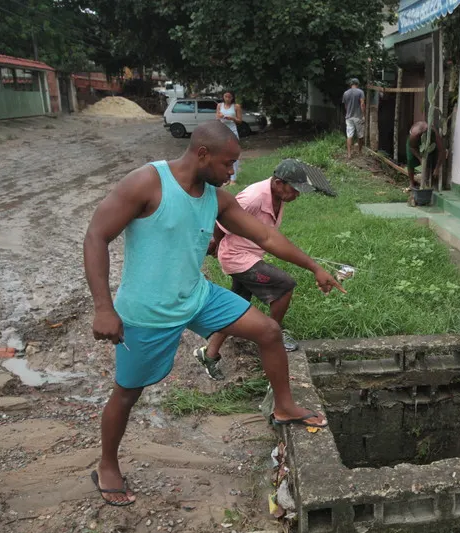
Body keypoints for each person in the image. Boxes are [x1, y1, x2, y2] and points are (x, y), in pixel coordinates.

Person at [83, 121, 343, 506]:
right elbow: (96, 236)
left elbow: (266, 238)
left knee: (269, 332)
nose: (233, 172)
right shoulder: (146, 183)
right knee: (127, 393)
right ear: (202, 154)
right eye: (229, 163)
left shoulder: (216, 198)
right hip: (147, 310)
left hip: (197, 294)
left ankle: (284, 407)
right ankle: (107, 464)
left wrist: (315, 267)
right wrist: (103, 307)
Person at [197, 159, 314, 379]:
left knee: (236, 307)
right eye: (295, 190)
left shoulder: (277, 196)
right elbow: (221, 222)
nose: (297, 195)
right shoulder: (253, 198)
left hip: (250, 254)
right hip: (237, 257)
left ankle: (209, 353)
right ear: (279, 183)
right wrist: (215, 245)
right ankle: (272, 338)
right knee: (284, 285)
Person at [406, 121, 445, 189]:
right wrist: (420, 158)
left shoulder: (434, 133)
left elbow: (441, 150)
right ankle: (411, 183)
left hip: (427, 144)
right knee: (410, 160)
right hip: (413, 145)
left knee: (427, 160)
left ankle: (425, 182)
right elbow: (412, 147)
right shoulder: (414, 135)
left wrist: (437, 168)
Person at [216, 91, 243, 182]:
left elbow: (240, 121)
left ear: (232, 97)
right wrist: (220, 116)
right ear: (223, 97)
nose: (227, 98)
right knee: (223, 154)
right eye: (225, 96)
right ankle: (225, 177)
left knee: (233, 153)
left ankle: (233, 178)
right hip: (222, 131)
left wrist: (232, 118)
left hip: (232, 131)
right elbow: (217, 117)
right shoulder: (219, 105)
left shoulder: (236, 106)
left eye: (229, 97)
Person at [342, 78, 365, 159]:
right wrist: (363, 115)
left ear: (350, 84)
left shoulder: (345, 93)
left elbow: (345, 106)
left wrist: (348, 113)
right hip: (358, 117)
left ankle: (349, 154)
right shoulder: (360, 92)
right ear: (357, 84)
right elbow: (362, 104)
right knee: (360, 135)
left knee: (349, 135)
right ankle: (360, 151)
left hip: (348, 117)